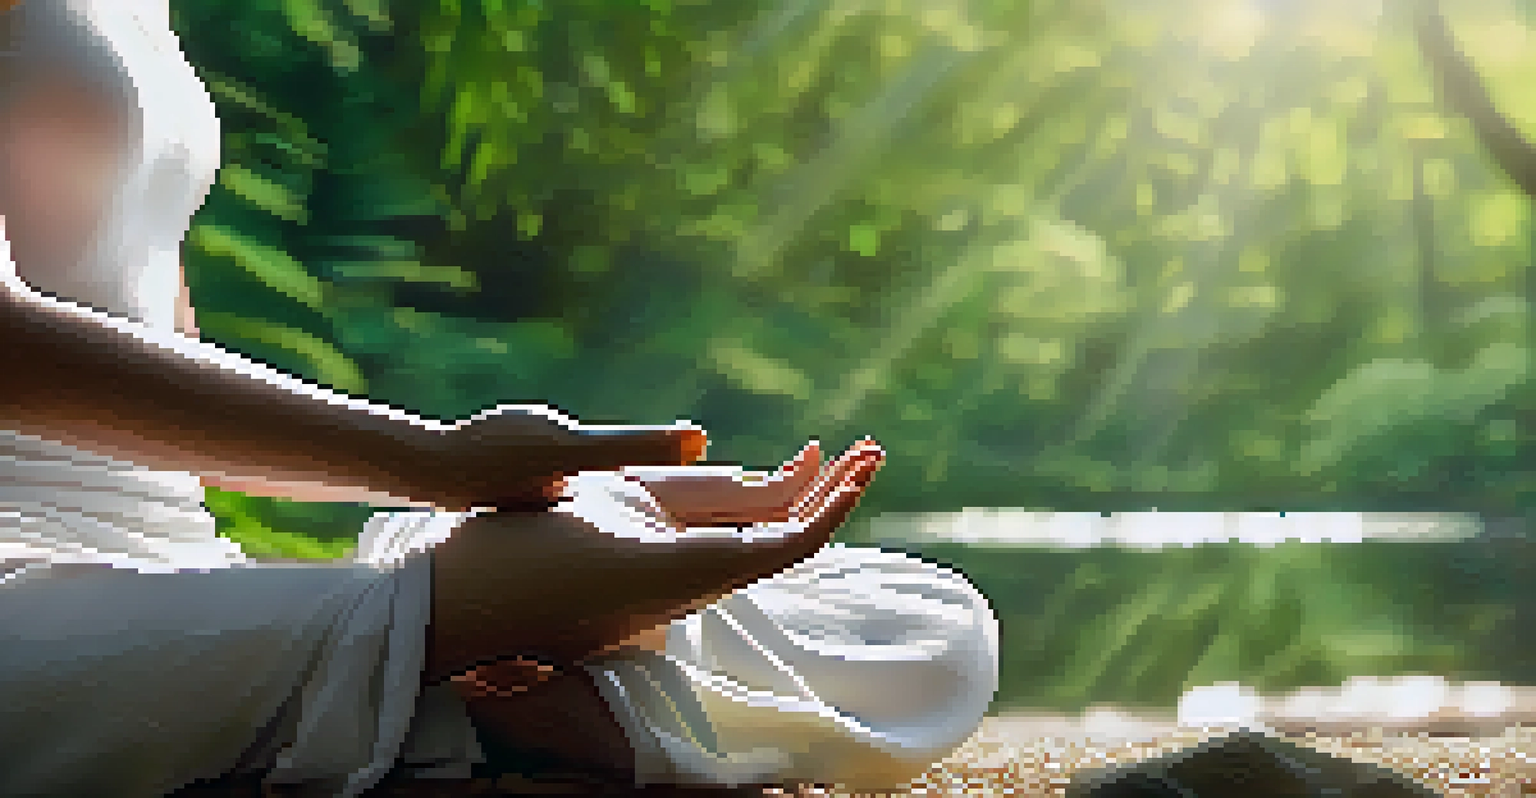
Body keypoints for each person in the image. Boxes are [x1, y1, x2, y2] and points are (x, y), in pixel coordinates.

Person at [0, 1, 1000, 796]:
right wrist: (434, 462)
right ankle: (465, 671)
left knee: (930, 630)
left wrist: (499, 502)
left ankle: (435, 672)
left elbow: (172, 380)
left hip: (177, 575)